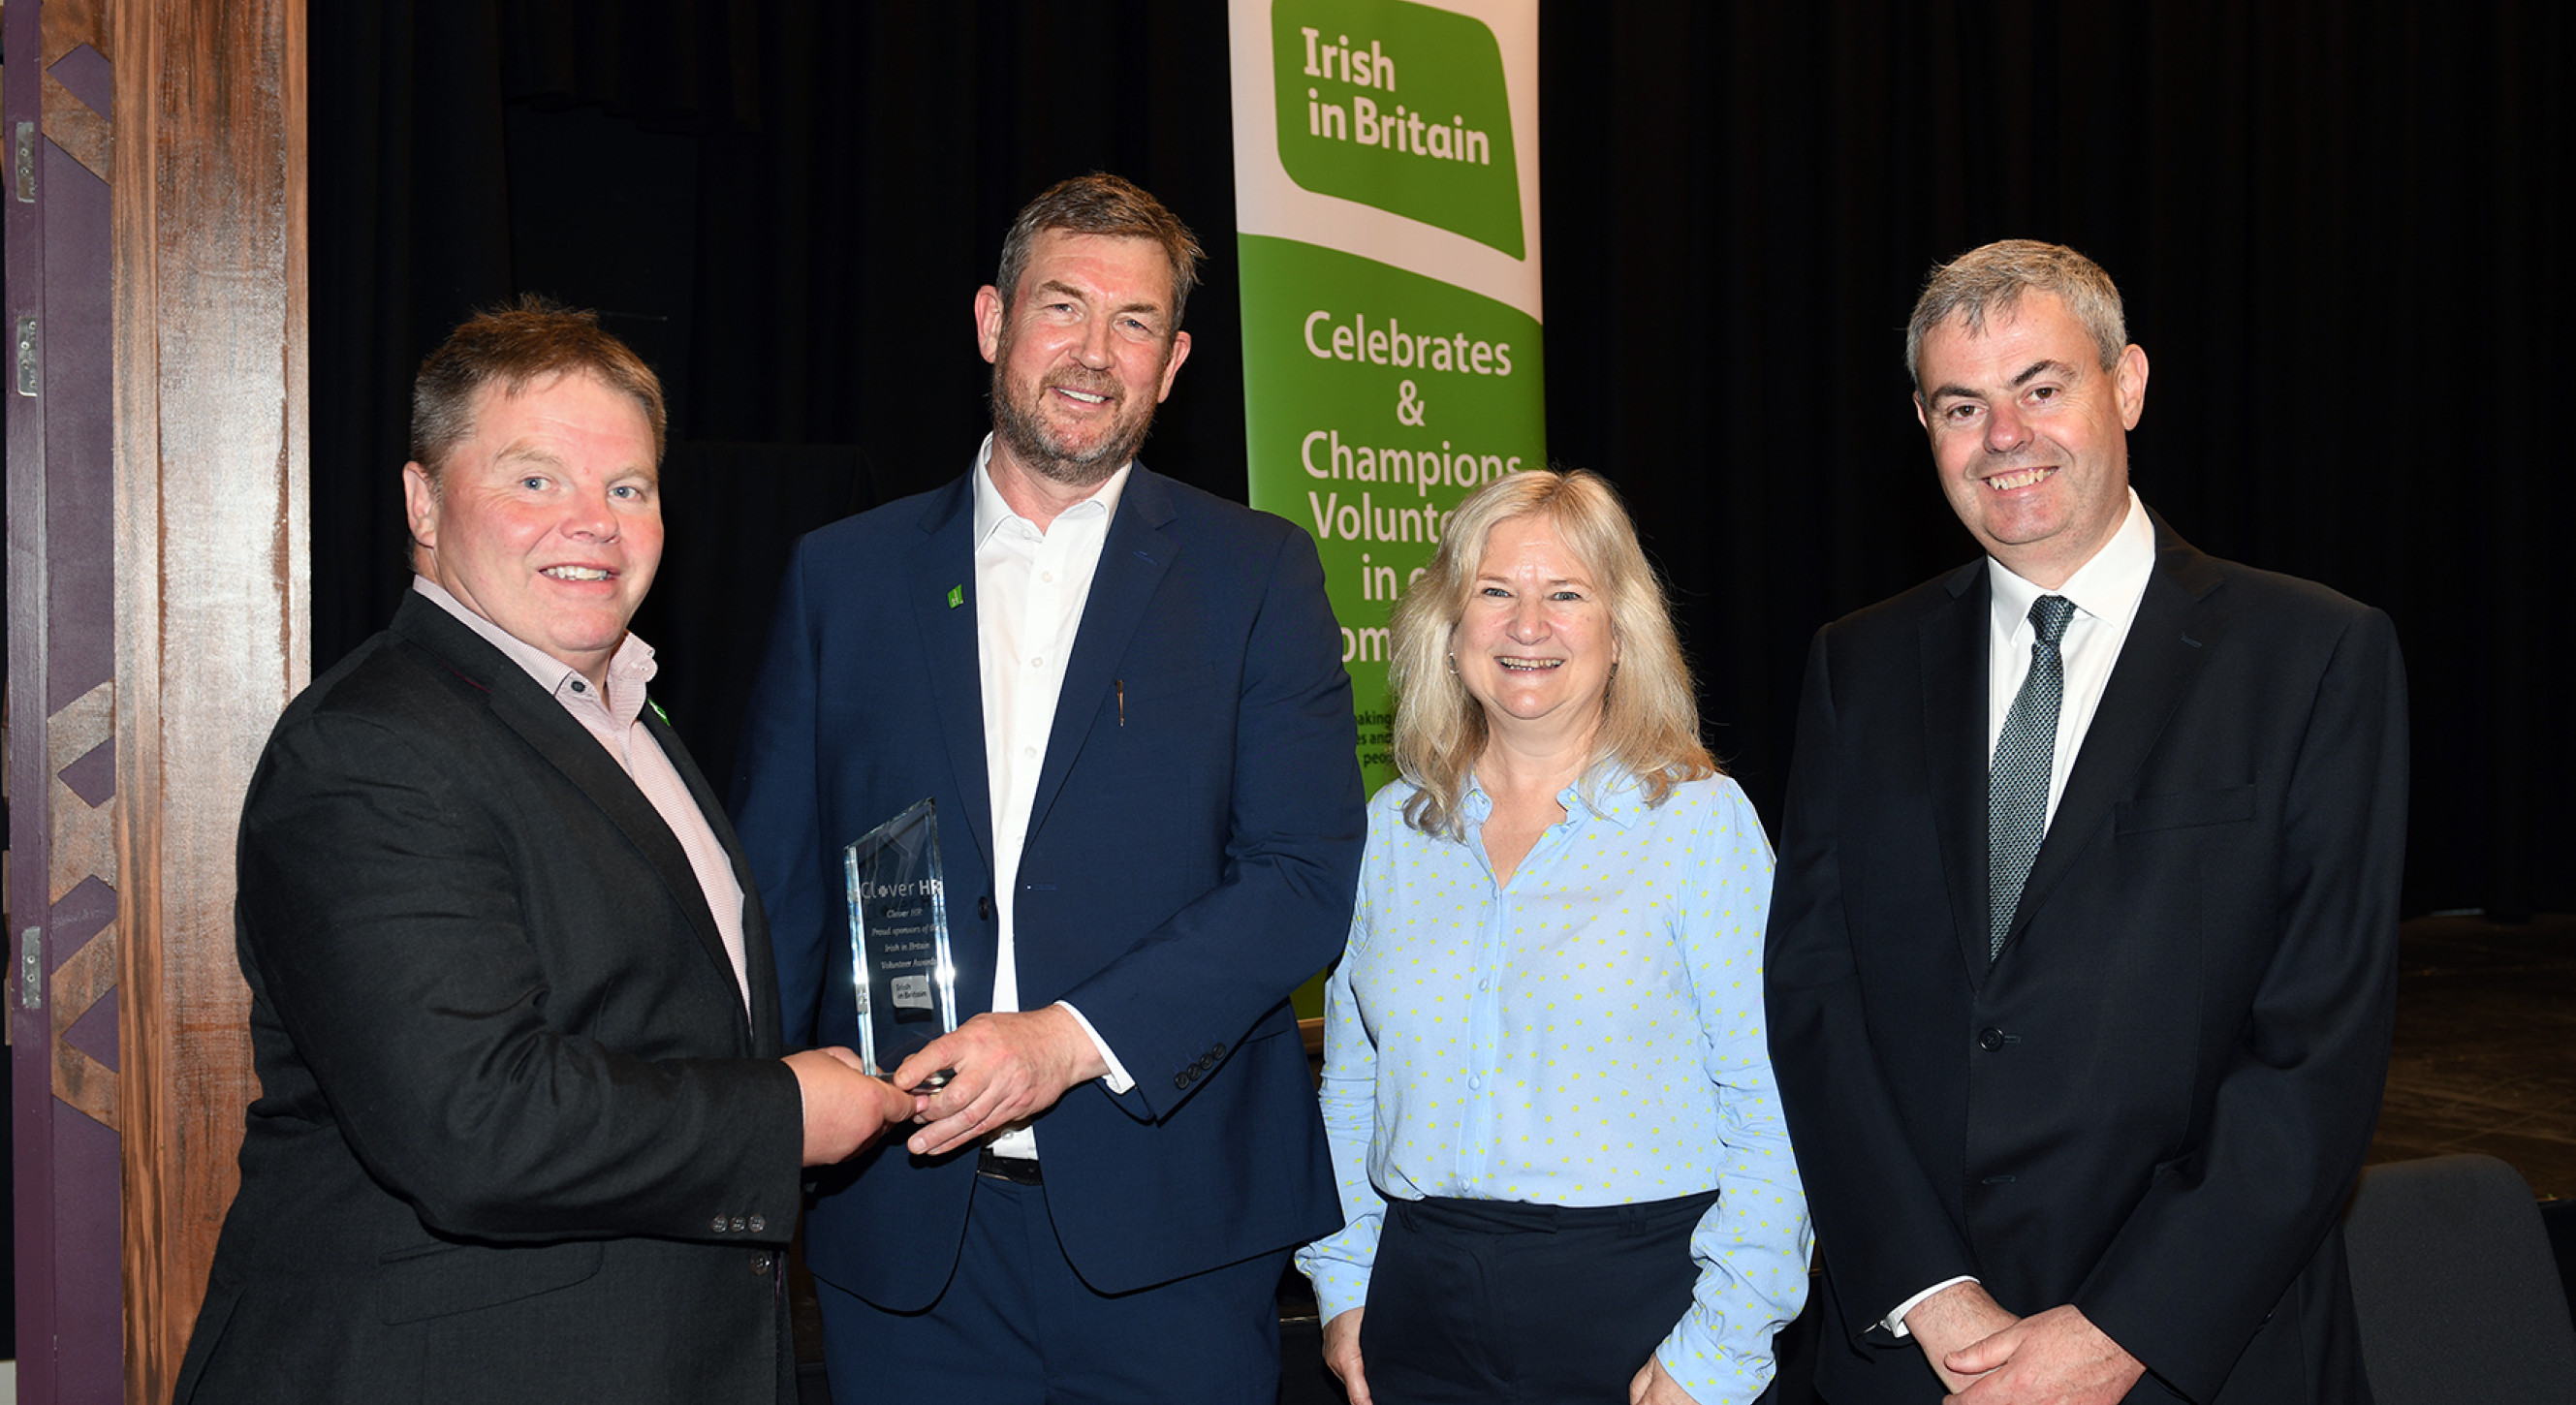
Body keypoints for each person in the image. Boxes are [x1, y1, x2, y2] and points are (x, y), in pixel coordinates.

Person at [173, 299, 912, 1404]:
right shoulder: (369, 746)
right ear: (423, 502)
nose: (595, 523)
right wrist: (782, 1116)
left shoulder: (630, 718)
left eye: (629, 488)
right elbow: (475, 1123)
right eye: (535, 480)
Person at [730, 173, 1367, 1403]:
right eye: (1061, 306)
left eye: (1134, 323)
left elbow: (1300, 879)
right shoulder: (841, 580)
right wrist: (752, 1156)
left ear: (1174, 361)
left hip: (1175, 1245)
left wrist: (1068, 1042)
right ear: (991, 321)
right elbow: (775, 899)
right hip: (901, 1239)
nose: (1093, 352)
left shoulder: (1257, 576)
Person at [1765, 240, 2407, 1403]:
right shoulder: (1854, 665)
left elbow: (2319, 1042)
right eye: (1963, 404)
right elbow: (1817, 993)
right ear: (1925, 425)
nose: (2004, 436)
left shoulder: (2312, 655)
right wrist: (1930, 1290)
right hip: (1917, 1353)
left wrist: (2119, 1329)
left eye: (2041, 387)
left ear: (2129, 386)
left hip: (2197, 1350)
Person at [1297, 469, 1812, 1405]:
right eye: (1494, 592)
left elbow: (1776, 1105)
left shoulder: (1701, 826)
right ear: (1448, 633)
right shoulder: (1388, 834)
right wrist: (1344, 1288)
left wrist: (1721, 1351)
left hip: (1649, 1316)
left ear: (1620, 632)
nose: (1526, 625)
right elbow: (1352, 1089)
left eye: (1566, 594)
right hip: (1417, 1312)